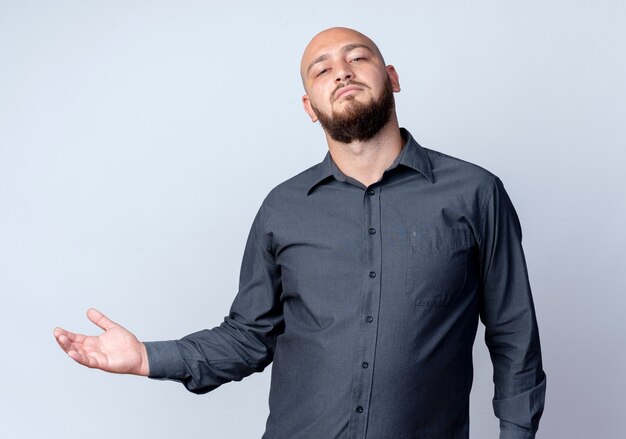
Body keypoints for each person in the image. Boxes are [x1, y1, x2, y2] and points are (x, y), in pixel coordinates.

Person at [54, 27, 546, 439]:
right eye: (322, 69)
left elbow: (513, 331)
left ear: (392, 78)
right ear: (309, 106)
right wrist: (146, 357)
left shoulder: (474, 193)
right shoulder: (283, 209)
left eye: (358, 57)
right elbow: (248, 337)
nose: (343, 72)